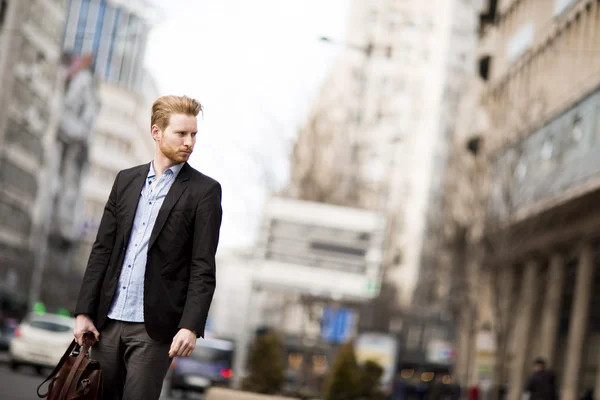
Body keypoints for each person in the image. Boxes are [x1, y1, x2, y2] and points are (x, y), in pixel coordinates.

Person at [73, 95, 223, 400]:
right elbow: (103, 249)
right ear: (157, 132)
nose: (189, 142)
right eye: (181, 133)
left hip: (154, 329)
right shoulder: (125, 181)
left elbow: (202, 266)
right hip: (107, 323)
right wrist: (84, 311)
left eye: (194, 134)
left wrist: (190, 326)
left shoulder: (204, 191)